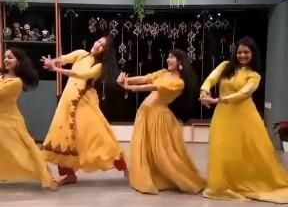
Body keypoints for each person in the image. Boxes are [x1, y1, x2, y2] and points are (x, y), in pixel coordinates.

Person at [200, 36, 288, 203]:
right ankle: (223, 183)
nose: (242, 55)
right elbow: (211, 78)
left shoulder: (254, 75)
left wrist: (217, 100)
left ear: (253, 54)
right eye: (239, 52)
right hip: (223, 115)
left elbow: (244, 93)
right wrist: (204, 91)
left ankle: (245, 181)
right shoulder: (225, 66)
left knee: (248, 150)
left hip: (246, 116)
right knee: (222, 148)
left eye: (246, 52)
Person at [117, 49, 206, 195]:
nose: (168, 60)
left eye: (172, 58)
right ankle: (152, 175)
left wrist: (129, 87)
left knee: (163, 153)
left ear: (180, 62)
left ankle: (183, 179)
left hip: (158, 116)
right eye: (168, 57)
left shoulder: (179, 82)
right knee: (147, 147)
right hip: (146, 113)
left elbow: (154, 87)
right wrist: (127, 80)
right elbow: (146, 78)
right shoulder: (163, 73)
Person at [41, 36, 127, 185]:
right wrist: (52, 62)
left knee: (98, 134)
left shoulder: (99, 66)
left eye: (103, 46)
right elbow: (64, 58)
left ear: (105, 52)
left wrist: (56, 69)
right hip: (68, 99)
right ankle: (69, 174)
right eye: (99, 41)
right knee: (62, 134)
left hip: (83, 102)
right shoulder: (81, 54)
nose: (98, 45)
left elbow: (81, 75)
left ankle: (124, 167)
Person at [0, 48, 57, 190]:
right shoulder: (2, 77)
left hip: (9, 122)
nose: (6, 60)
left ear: (18, 62)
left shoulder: (16, 82)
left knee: (23, 152)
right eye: (5, 57)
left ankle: (46, 176)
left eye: (10, 57)